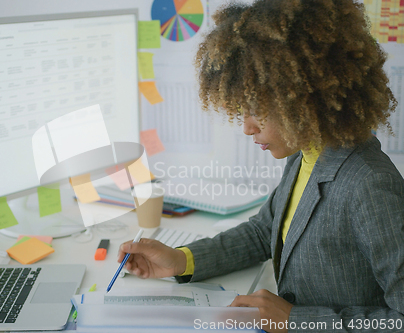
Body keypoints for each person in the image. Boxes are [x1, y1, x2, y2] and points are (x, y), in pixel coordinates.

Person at [118, 0, 404, 332]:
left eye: (259, 111)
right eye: (243, 110)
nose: (247, 128)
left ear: (304, 99)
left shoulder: (369, 184)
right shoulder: (307, 155)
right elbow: (262, 232)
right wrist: (182, 260)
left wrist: (295, 320)